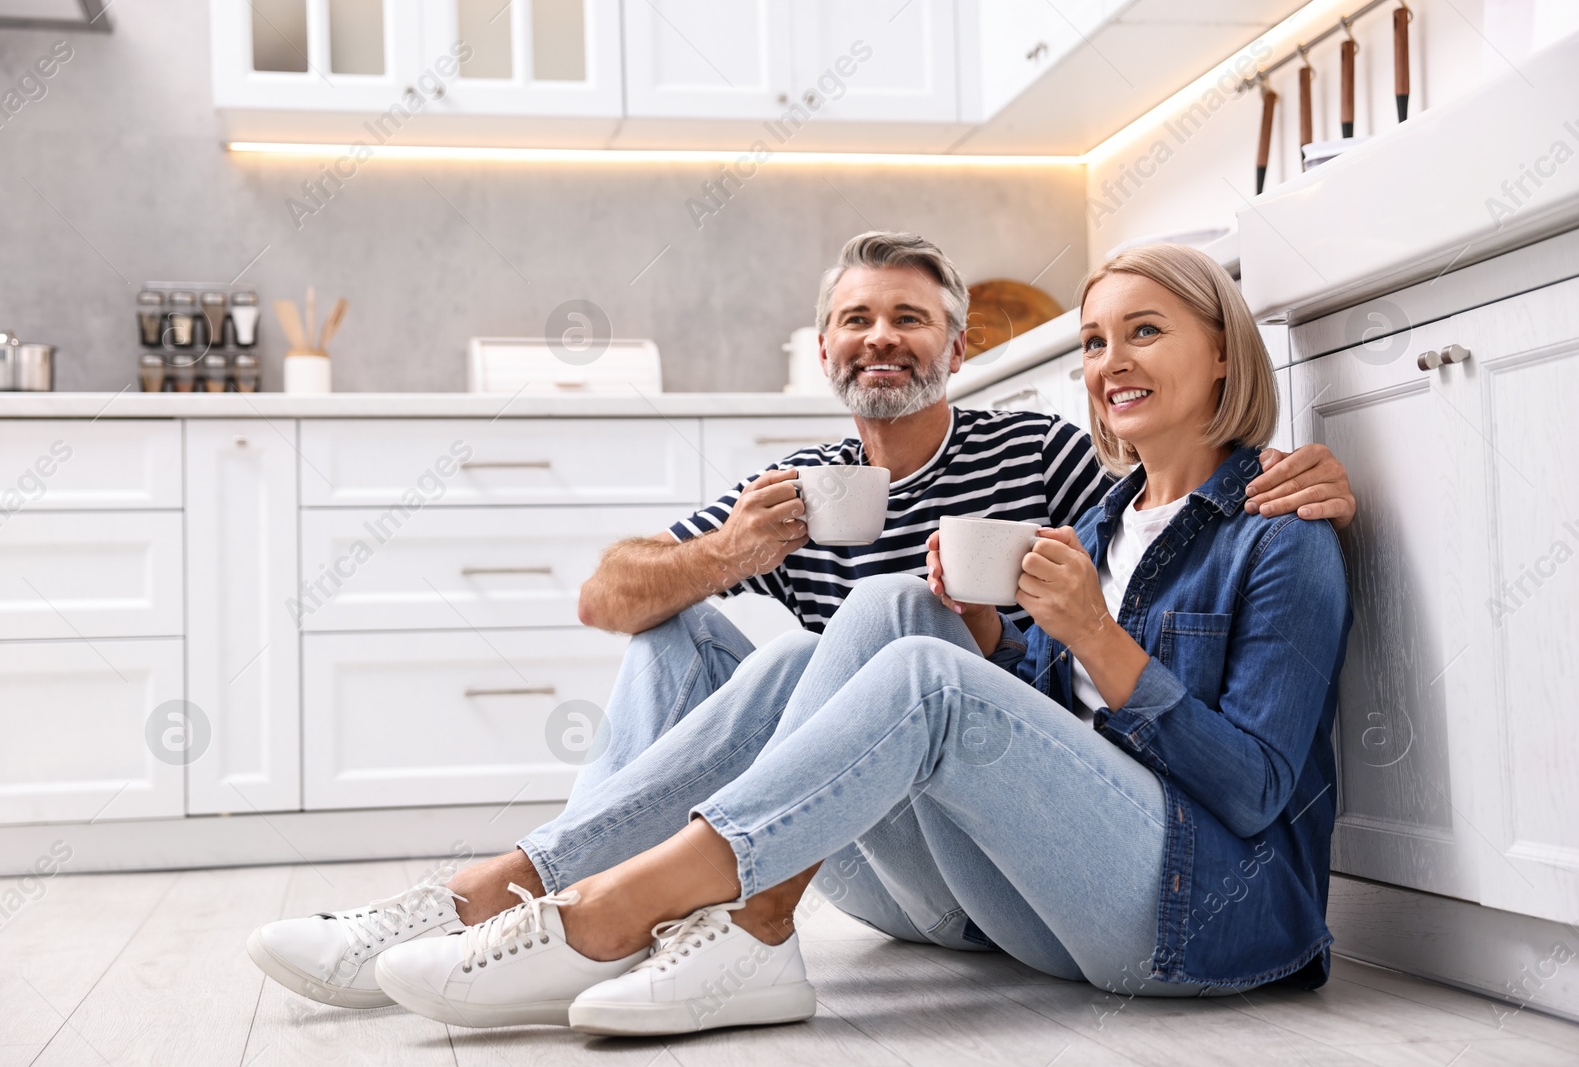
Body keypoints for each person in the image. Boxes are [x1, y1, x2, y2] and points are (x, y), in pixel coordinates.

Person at [247, 233, 1356, 1013]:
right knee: (772, 640)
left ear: (1223, 350)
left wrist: (1086, 636)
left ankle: (628, 912)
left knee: (889, 625)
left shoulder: (1172, 495)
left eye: (1145, 333)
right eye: (1095, 343)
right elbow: (608, 596)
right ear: (821, 347)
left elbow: (1255, 783)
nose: (1110, 363)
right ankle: (521, 895)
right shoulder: (1095, 514)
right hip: (995, 865)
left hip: (1187, 905)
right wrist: (754, 558)